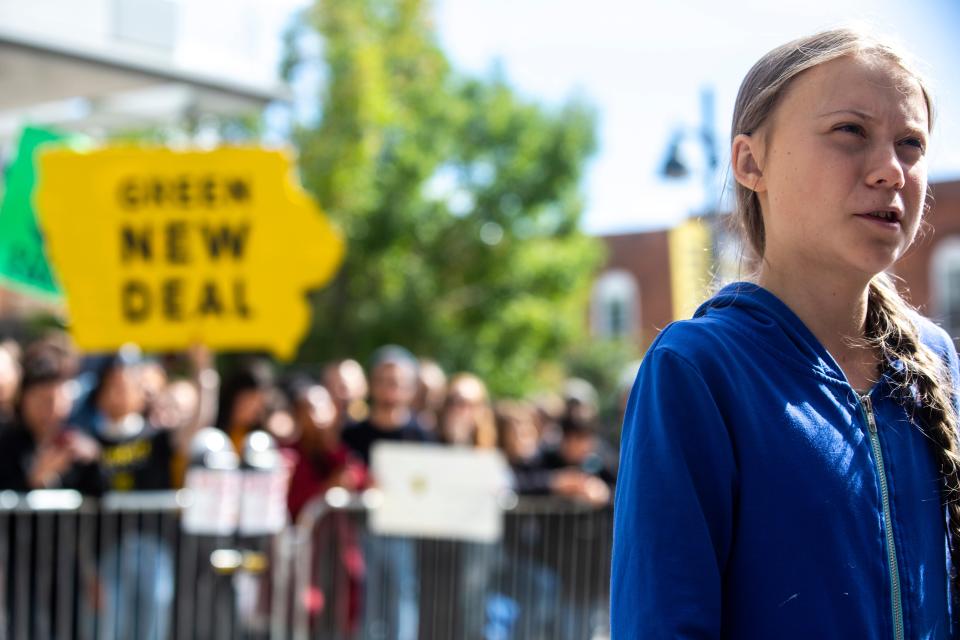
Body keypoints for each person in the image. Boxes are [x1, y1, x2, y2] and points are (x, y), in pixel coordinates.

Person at [612, 28, 957, 638]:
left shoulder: (935, 360)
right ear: (751, 163)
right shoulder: (698, 369)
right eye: (851, 131)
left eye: (910, 143)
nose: (890, 170)